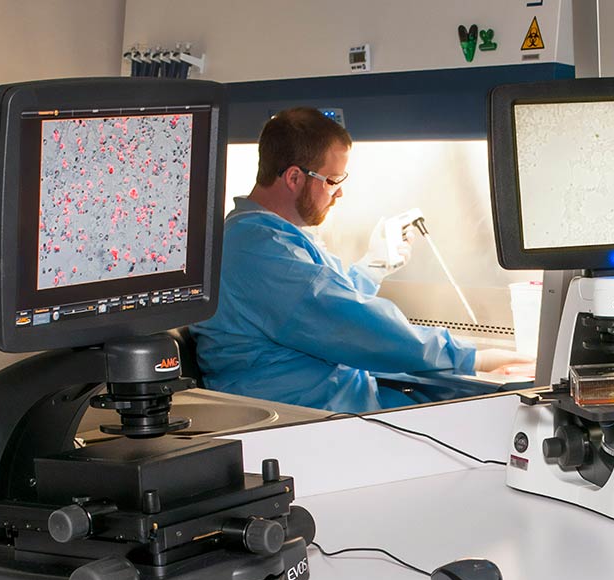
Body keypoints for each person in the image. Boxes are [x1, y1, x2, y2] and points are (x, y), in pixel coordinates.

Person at [191, 107, 529, 414]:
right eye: (333, 181)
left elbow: (318, 310)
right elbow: (349, 325)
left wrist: (373, 266)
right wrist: (474, 358)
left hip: (334, 402)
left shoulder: (264, 234)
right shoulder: (258, 249)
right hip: (306, 421)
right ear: (294, 177)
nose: (339, 194)